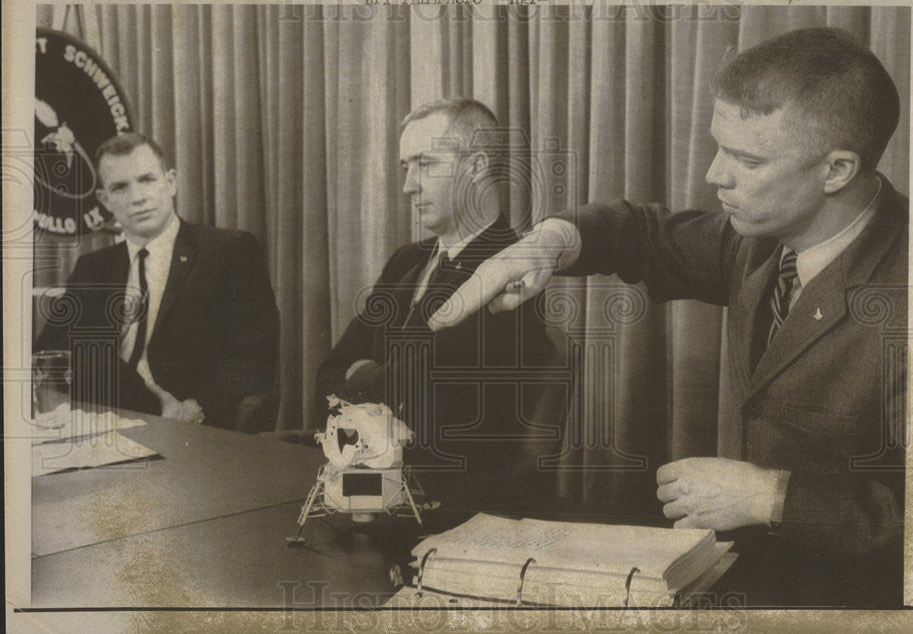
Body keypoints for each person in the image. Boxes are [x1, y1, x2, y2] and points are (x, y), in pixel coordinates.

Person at [428, 28, 907, 606]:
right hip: (753, 584)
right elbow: (643, 232)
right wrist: (548, 243)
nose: (714, 174)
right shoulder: (763, 238)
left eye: (746, 159)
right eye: (718, 146)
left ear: (836, 170)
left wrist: (772, 496)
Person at [315, 98, 557, 516]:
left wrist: (368, 376)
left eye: (425, 164)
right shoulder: (408, 260)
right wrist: (373, 384)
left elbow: (435, 404)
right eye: (406, 167)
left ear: (477, 166)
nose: (408, 185)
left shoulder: (514, 268)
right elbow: (331, 372)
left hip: (446, 497)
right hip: (373, 476)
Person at [36, 132, 280, 431]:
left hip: (190, 428)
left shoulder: (228, 251)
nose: (138, 198)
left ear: (172, 182)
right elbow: (52, 353)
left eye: (147, 179)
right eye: (120, 187)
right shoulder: (93, 268)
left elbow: (254, 359)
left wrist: (195, 409)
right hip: (106, 423)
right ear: (105, 200)